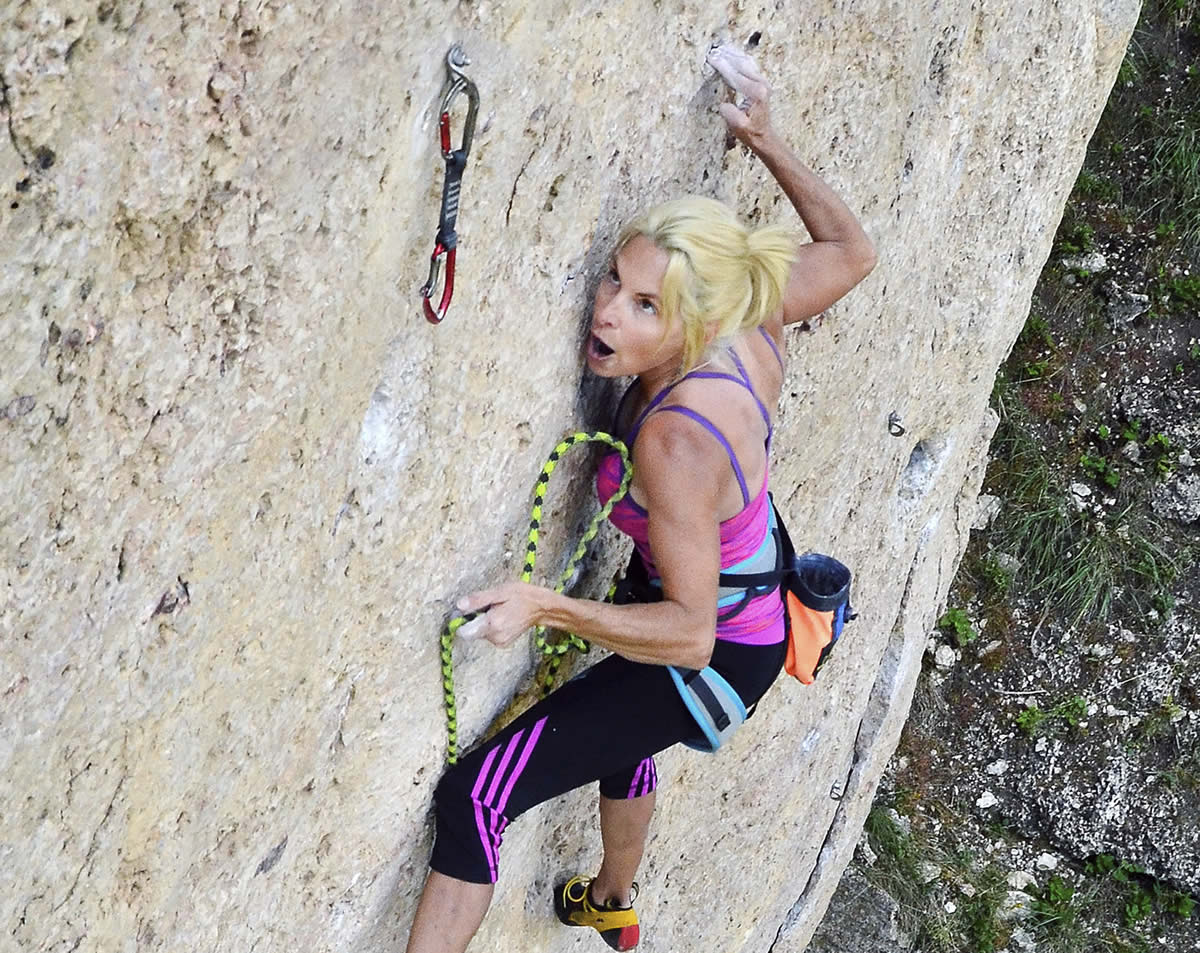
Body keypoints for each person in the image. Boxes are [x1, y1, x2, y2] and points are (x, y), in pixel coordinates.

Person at [404, 45, 876, 953]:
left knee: (478, 796)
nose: (610, 310)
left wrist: (545, 604)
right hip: (737, 587)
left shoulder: (674, 440)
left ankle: (606, 896)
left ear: (693, 323)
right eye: (615, 279)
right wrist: (766, 139)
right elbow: (852, 253)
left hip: (714, 648)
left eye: (646, 305)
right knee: (618, 729)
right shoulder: (746, 311)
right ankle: (612, 900)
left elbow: (689, 638)